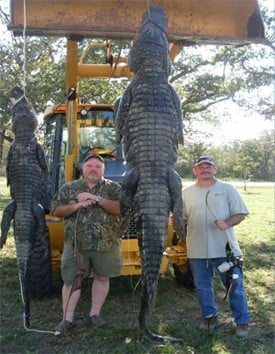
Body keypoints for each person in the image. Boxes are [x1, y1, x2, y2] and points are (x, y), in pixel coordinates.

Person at [51, 153, 122, 335]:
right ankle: (67, 319)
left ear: (103, 170)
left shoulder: (114, 188)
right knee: (71, 281)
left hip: (106, 245)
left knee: (102, 278)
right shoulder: (69, 188)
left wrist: (97, 199)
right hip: (75, 245)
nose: (93, 169)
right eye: (89, 165)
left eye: (98, 166)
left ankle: (95, 314)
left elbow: (120, 209)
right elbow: (57, 210)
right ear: (82, 169)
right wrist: (76, 205)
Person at [182, 156, 251, 338]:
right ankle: (209, 317)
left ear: (215, 169)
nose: (205, 169)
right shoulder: (185, 192)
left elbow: (241, 213)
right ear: (195, 171)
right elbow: (181, 219)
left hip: (224, 249)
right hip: (196, 250)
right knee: (202, 286)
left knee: (234, 285)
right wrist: (177, 222)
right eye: (201, 167)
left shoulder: (227, 189)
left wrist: (227, 223)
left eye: (208, 166)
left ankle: (242, 321)